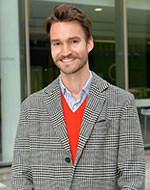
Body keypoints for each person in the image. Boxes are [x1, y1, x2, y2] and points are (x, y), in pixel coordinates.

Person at [11, 3, 145, 190]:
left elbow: (132, 178)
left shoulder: (122, 103)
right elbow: (21, 177)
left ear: (89, 43)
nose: (65, 51)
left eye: (74, 41)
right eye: (57, 43)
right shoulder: (31, 107)